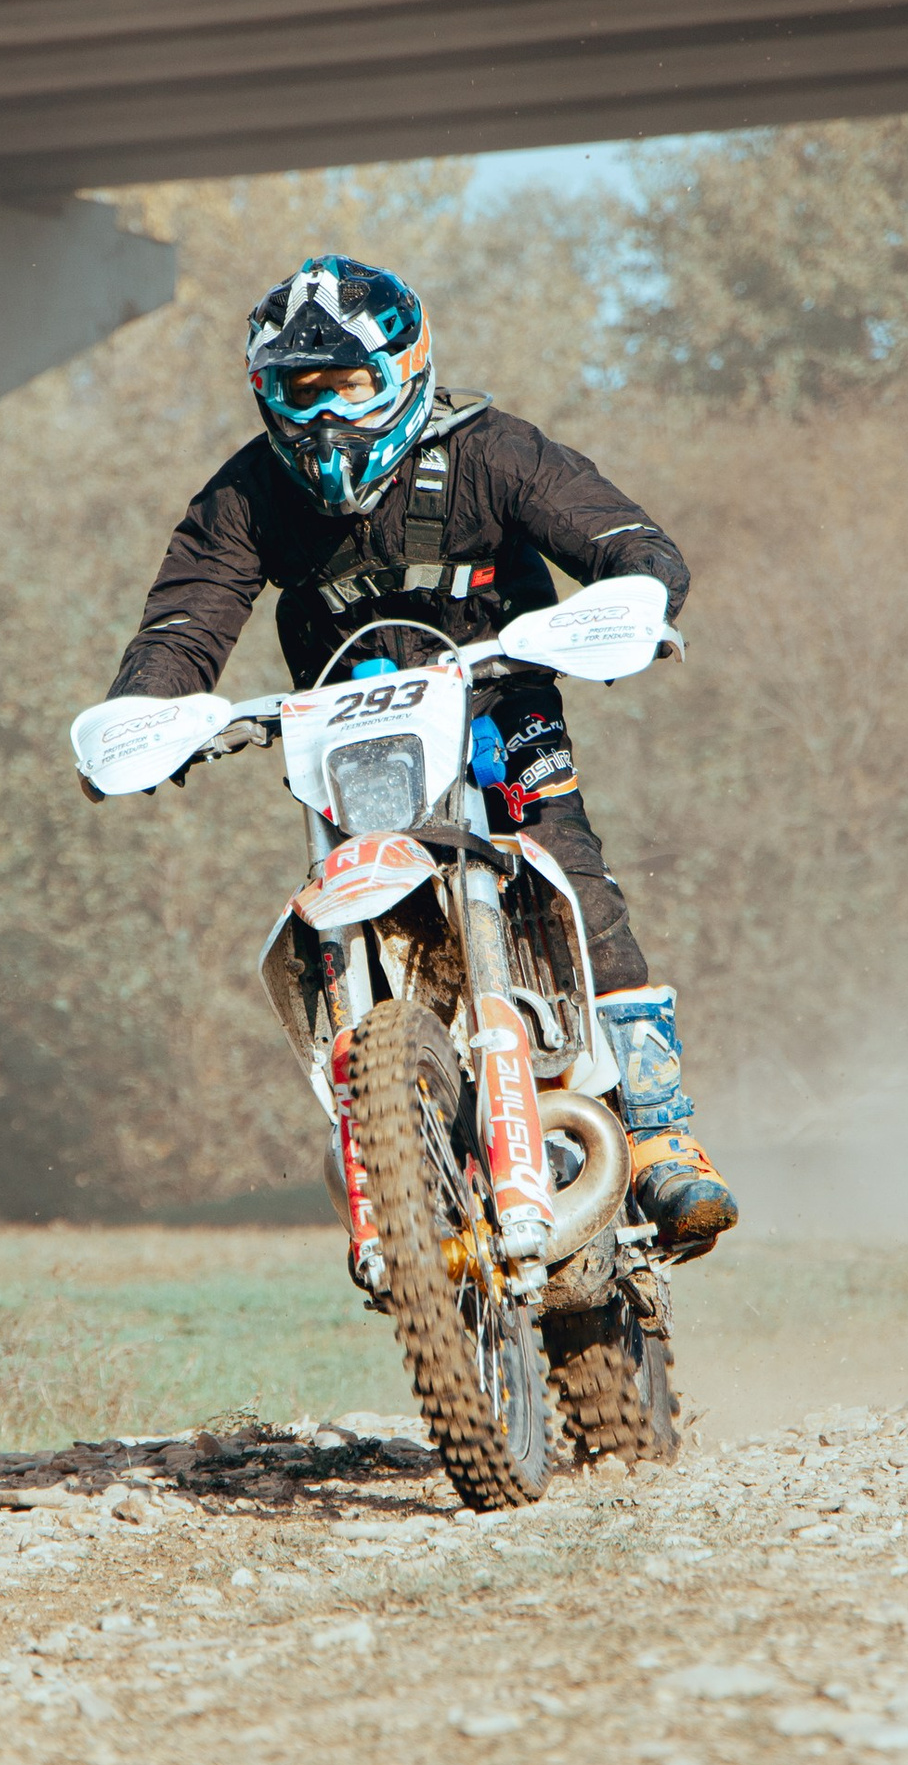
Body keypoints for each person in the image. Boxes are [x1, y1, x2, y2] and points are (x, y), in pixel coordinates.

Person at [93, 253, 737, 1256]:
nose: (322, 419)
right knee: (328, 906)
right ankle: (391, 1132)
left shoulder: (490, 449)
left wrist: (635, 595)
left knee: (565, 860)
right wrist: (142, 716)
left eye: (347, 384)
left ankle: (661, 1138)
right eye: (296, 393)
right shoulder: (248, 493)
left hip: (496, 698)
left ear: (406, 365)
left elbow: (628, 539)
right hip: (343, 730)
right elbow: (182, 628)